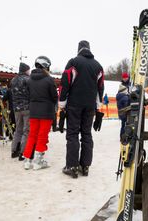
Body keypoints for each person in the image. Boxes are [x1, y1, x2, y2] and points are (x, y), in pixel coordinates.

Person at [59, 40, 104, 178]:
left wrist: (62, 104)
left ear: (78, 49)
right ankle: (85, 166)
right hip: (90, 106)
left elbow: (65, 83)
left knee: (72, 134)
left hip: (74, 104)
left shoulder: (73, 62)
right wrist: (98, 108)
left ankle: (72, 166)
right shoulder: (98, 66)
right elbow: (100, 89)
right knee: (86, 134)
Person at [22, 56, 58, 170]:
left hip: (33, 111)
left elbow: (27, 95)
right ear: (45, 66)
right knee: (42, 135)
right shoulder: (49, 80)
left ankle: (27, 160)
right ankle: (38, 161)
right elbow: (54, 96)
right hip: (46, 112)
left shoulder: (29, 79)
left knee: (32, 134)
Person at [10, 62, 31, 160]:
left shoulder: (13, 80)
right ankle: (23, 152)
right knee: (26, 130)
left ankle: (14, 150)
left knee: (18, 129)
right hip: (27, 108)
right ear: (26, 70)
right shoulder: (28, 79)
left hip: (16, 108)